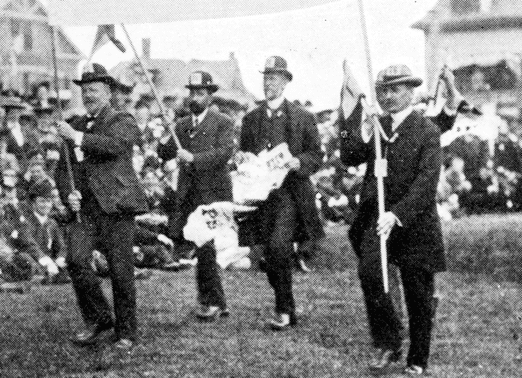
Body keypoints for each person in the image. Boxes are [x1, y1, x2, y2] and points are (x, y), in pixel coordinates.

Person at [340, 64, 445, 376]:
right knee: (371, 274)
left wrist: (397, 214)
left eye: (395, 90)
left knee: (417, 289)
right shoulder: (376, 124)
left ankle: (418, 356)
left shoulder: (427, 130)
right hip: (376, 218)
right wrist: (355, 123)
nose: (387, 96)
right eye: (383, 90)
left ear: (410, 93)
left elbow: (427, 183)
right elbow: (349, 155)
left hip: (413, 221)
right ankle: (387, 341)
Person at [56, 64, 148, 350]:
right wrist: (68, 193)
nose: (88, 96)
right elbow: (63, 169)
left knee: (121, 272)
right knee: (76, 260)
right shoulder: (76, 125)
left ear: (108, 92)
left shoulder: (123, 120)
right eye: (84, 91)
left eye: (93, 90)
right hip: (86, 211)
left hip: (117, 208)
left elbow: (114, 147)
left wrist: (77, 137)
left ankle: (126, 331)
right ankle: (98, 318)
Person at [238, 56, 323, 330]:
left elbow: (316, 156)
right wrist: (242, 158)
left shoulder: (302, 117)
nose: (268, 83)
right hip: (260, 196)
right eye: (266, 77)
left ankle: (283, 309)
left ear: (286, 82)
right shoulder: (251, 119)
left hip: (290, 194)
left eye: (274, 78)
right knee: (267, 253)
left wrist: (298, 162)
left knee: (278, 247)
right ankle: (284, 302)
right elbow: (246, 155)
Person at [158, 71, 235, 320]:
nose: (195, 97)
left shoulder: (222, 122)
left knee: (207, 249)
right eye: (192, 92)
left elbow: (224, 153)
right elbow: (165, 152)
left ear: (210, 96)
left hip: (213, 193)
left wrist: (195, 159)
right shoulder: (181, 125)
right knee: (202, 248)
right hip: (189, 195)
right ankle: (215, 301)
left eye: (200, 93)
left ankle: (211, 301)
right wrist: (167, 132)